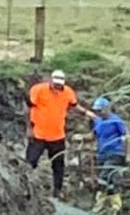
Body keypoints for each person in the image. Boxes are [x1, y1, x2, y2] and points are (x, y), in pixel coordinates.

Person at [26, 69, 94, 198]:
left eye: (60, 84)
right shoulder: (38, 90)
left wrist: (87, 113)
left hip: (57, 135)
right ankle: (25, 188)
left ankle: (57, 191)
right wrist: (29, 128)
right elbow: (28, 107)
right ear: (50, 80)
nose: (58, 86)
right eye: (55, 83)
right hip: (38, 133)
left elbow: (74, 105)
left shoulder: (67, 92)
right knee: (30, 162)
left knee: (58, 166)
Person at [90, 96, 130, 215]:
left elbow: (128, 136)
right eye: (96, 111)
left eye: (100, 110)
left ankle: (98, 207)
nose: (98, 113)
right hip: (103, 153)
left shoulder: (116, 121)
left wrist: (128, 154)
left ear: (107, 109)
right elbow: (94, 135)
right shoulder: (98, 121)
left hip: (116, 152)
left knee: (103, 178)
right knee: (110, 181)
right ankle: (115, 207)